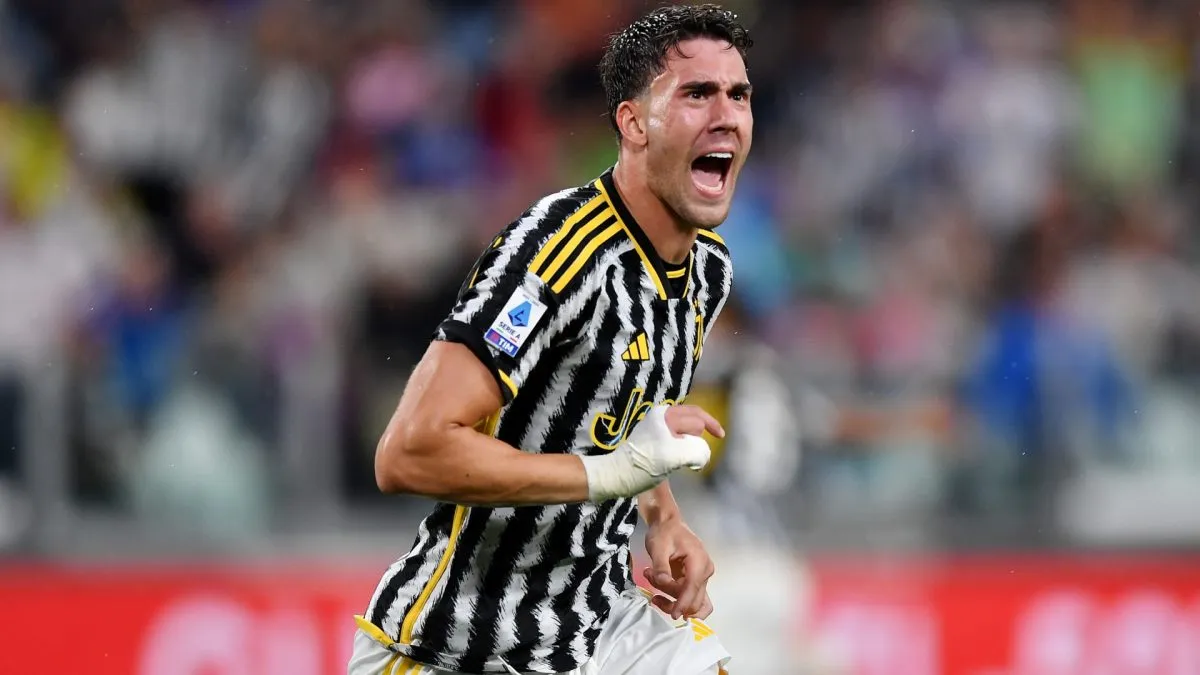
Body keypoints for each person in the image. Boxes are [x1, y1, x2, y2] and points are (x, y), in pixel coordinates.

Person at [349, 4, 753, 674]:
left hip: (595, 628)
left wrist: (661, 515)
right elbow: (407, 452)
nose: (726, 115)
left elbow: (621, 414)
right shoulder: (556, 253)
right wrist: (608, 475)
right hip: (458, 647)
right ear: (633, 124)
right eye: (696, 94)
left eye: (738, 94)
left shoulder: (707, 271)